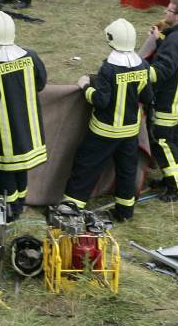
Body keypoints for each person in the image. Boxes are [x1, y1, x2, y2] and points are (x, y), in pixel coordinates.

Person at [61, 19, 153, 222]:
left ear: (112, 39)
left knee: (86, 167)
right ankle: (125, 212)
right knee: (127, 171)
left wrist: (86, 86)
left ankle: (71, 208)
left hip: (104, 131)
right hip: (129, 132)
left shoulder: (109, 68)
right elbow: (147, 97)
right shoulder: (143, 65)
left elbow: (100, 101)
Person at [0, 11, 47, 220]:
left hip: (1, 133)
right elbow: (40, 83)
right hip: (29, 129)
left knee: (5, 172)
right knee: (21, 168)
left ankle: (9, 211)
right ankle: (19, 204)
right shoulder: (30, 56)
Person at [145, 0, 178, 201]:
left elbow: (163, 70)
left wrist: (139, 72)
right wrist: (159, 41)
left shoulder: (175, 40)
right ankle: (171, 180)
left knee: (163, 142)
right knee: (174, 141)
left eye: (169, 10)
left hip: (167, 100)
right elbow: (176, 57)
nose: (165, 12)